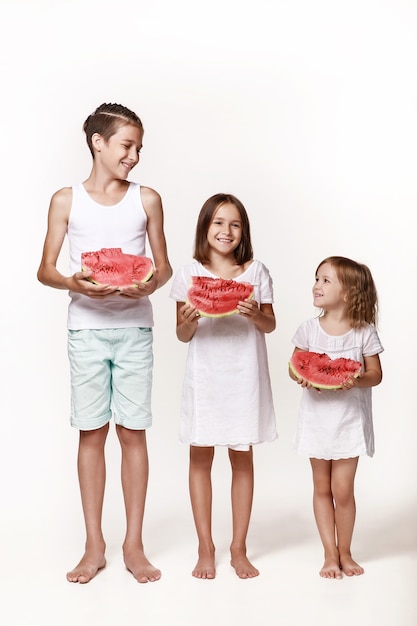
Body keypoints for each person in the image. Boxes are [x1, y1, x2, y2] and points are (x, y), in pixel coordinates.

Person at [37, 102, 172, 584]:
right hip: (86, 331)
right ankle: (94, 545)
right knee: (91, 433)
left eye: (138, 148)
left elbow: (164, 267)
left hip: (136, 330)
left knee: (133, 433)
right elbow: (46, 269)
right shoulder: (65, 200)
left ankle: (133, 544)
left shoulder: (148, 199)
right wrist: (79, 284)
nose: (134, 156)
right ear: (98, 142)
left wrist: (147, 285)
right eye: (126, 145)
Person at [169, 193, 277, 580]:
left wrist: (253, 315)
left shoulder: (256, 271)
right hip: (206, 376)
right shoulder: (188, 274)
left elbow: (270, 324)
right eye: (218, 222)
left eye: (234, 224)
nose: (226, 231)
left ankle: (238, 548)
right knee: (200, 458)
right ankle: (205, 547)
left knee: (241, 457)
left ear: (243, 231)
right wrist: (190, 319)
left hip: (244, 375)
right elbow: (181, 335)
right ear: (205, 227)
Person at [289, 256, 383, 579]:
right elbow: (297, 364)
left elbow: (375, 374)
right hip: (316, 419)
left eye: (326, 280)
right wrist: (302, 376)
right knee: (321, 487)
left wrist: (356, 378)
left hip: (348, 422)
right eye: (317, 278)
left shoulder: (364, 332)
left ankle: (346, 551)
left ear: (349, 292)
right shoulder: (308, 329)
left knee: (342, 490)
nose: (317, 285)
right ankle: (329, 553)